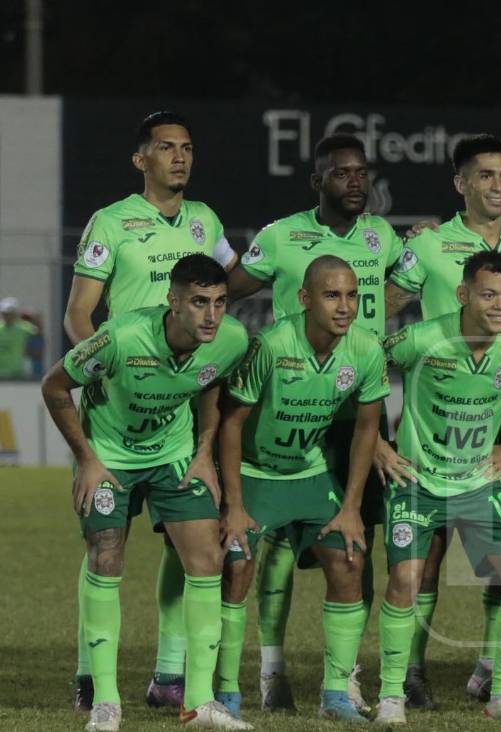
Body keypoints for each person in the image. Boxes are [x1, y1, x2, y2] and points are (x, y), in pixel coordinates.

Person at [62, 111, 238, 713]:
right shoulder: (112, 222)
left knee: (184, 544)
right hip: (118, 396)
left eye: (187, 147)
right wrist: (100, 369)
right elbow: (78, 312)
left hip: (180, 407)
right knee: (107, 543)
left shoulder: (204, 220)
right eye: (166, 148)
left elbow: (226, 279)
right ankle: (92, 676)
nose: (180, 158)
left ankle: (171, 674)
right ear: (142, 160)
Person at [226, 133, 403, 713]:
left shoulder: (383, 237)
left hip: (354, 406)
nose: (356, 181)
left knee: (356, 540)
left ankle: (344, 679)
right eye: (342, 173)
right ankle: (268, 673)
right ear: (319, 180)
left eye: (363, 173)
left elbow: (400, 288)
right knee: (268, 551)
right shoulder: (281, 236)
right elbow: (227, 289)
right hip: (284, 408)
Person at [41, 255, 250, 731]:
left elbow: (211, 383)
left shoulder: (231, 340)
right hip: (110, 458)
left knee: (208, 561)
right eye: (199, 303)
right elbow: (54, 385)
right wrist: (88, 460)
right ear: (172, 301)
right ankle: (106, 702)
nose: (212, 315)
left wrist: (203, 451)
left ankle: (198, 703)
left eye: (219, 302)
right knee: (106, 556)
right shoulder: (121, 336)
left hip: (174, 456)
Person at [382, 134, 501, 708]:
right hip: (430, 424)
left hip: (492, 424)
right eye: (484, 176)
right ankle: (410, 675)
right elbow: (382, 308)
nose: (497, 186)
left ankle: (494, 677)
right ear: (461, 184)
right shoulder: (428, 244)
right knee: (420, 568)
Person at [215, 256, 388, 723]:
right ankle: (226, 693)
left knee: (350, 558)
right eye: (333, 295)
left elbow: (366, 429)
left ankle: (335, 696)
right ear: (305, 299)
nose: (345, 306)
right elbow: (231, 425)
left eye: (352, 295)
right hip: (255, 474)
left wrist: (351, 506)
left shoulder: (366, 350)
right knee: (237, 566)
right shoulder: (270, 345)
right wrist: (233, 504)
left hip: (309, 473)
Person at [0, 298, 41, 379]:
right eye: (5, 313)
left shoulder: (23, 327)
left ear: (15, 314)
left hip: (16, 371)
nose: (7, 316)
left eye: (10, 313)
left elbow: (38, 332)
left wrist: (34, 316)